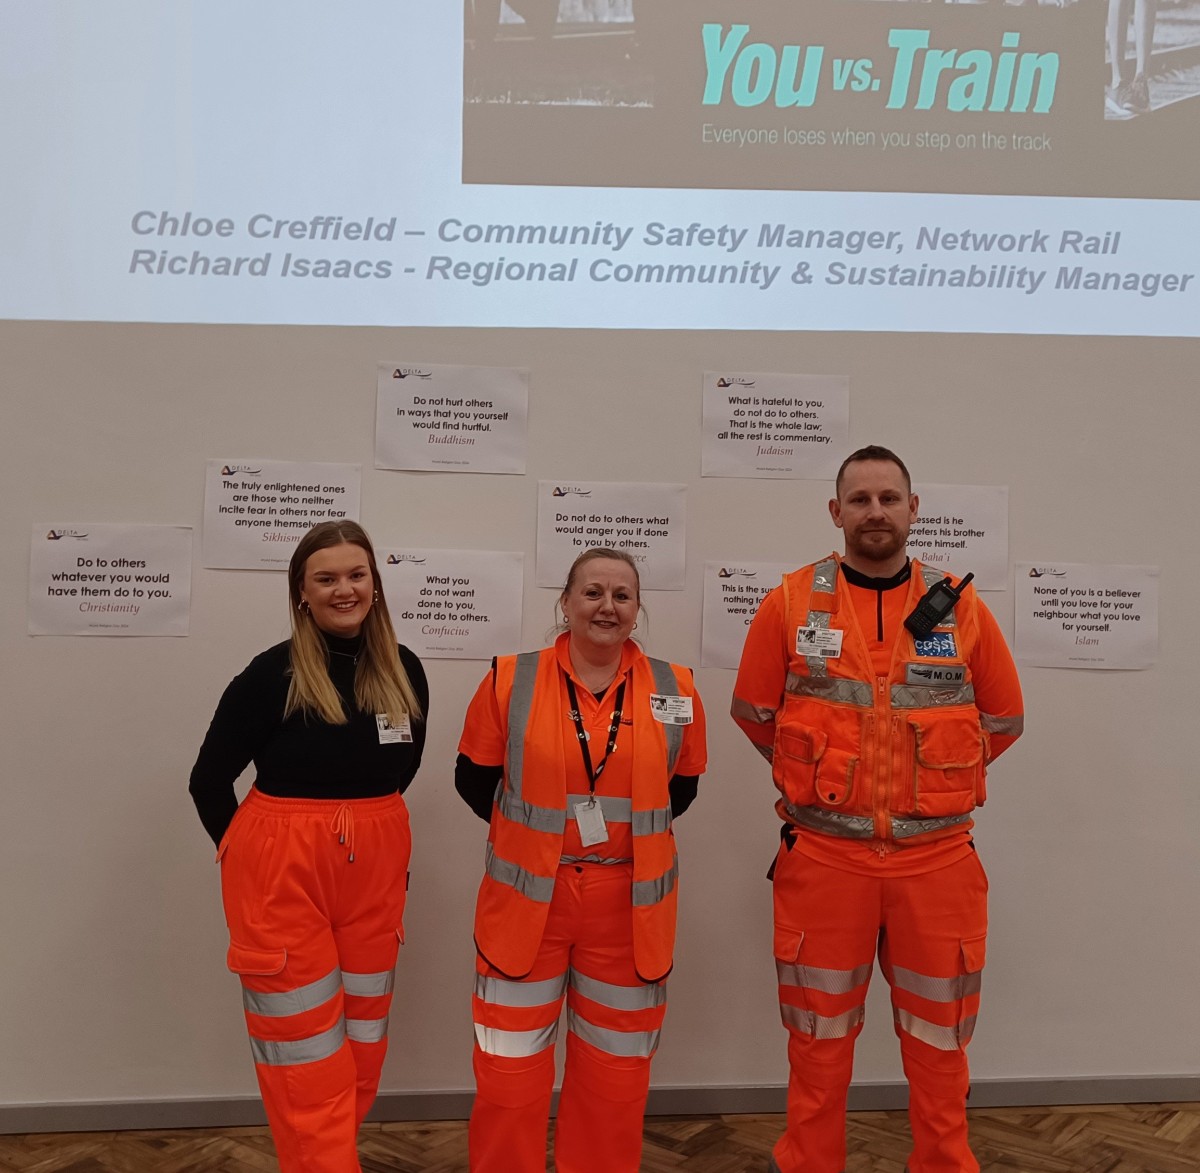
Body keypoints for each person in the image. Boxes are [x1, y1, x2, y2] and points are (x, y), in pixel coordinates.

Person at [732, 447, 1024, 1173]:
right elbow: (752, 711)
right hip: (826, 861)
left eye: (889, 497)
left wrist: (938, 780)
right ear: (836, 513)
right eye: (859, 499)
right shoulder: (791, 602)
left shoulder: (963, 608)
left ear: (913, 508)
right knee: (817, 1042)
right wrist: (820, 774)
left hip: (940, 864)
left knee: (940, 1043)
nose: (875, 511)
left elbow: (1006, 718)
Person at [455, 546, 707, 1172]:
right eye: (591, 592)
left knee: (615, 1079)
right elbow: (471, 778)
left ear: (638, 609)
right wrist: (537, 843)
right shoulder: (511, 678)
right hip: (526, 904)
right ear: (564, 603)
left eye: (622, 596)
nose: (607, 606)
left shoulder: (676, 688)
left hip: (628, 910)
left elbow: (684, 788)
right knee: (509, 1077)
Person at [189, 520, 428, 1173]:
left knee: (360, 1044)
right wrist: (253, 858)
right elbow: (209, 780)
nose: (343, 588)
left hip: (374, 873)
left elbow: (400, 770)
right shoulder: (271, 675)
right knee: (305, 1059)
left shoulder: (404, 669)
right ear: (301, 591)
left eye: (356, 574)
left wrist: (361, 831)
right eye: (326, 577)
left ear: (375, 585)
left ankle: (325, 1161)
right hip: (282, 873)